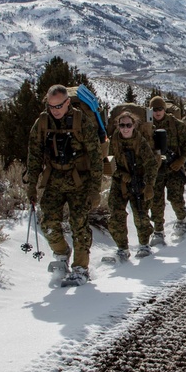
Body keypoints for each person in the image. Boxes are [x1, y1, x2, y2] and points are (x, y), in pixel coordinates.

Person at [27, 84, 102, 286]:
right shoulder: (42, 123)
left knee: (79, 224)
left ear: (67, 102)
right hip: (54, 179)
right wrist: (31, 185)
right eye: (51, 106)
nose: (55, 110)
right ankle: (61, 253)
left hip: (79, 180)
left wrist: (95, 189)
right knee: (48, 222)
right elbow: (33, 156)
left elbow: (96, 157)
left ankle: (80, 268)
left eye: (59, 106)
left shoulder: (82, 121)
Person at [107, 111, 159, 258]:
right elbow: (109, 164)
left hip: (139, 181)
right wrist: (122, 175)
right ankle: (122, 248)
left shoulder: (140, 142)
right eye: (122, 125)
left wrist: (149, 185)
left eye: (128, 125)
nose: (125, 128)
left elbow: (151, 164)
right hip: (120, 183)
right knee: (116, 215)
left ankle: (144, 244)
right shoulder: (114, 141)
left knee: (141, 215)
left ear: (133, 125)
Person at [147, 96, 186, 241]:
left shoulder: (176, 124)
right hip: (156, 170)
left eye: (160, 108)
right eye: (154, 109)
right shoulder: (146, 126)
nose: (157, 112)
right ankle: (158, 230)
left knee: (175, 199)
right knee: (156, 201)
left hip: (173, 168)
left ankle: (183, 219)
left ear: (164, 109)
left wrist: (181, 160)